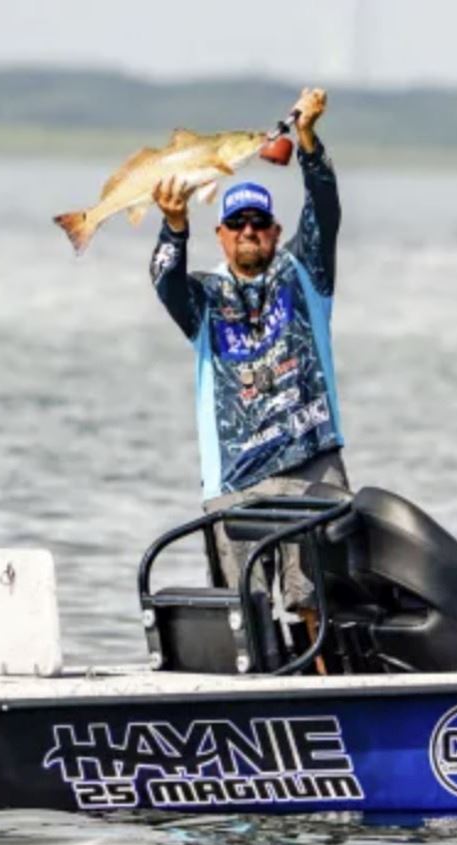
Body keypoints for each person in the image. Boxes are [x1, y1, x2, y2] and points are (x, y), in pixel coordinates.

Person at [149, 87, 349, 629]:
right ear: (221, 235)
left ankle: (334, 692)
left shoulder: (304, 275)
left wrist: (307, 139)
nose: (249, 233)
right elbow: (164, 280)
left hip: (311, 459)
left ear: (275, 232)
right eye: (237, 225)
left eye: (259, 223)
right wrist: (173, 226)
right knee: (247, 613)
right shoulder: (205, 300)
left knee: (320, 603)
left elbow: (325, 207)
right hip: (236, 477)